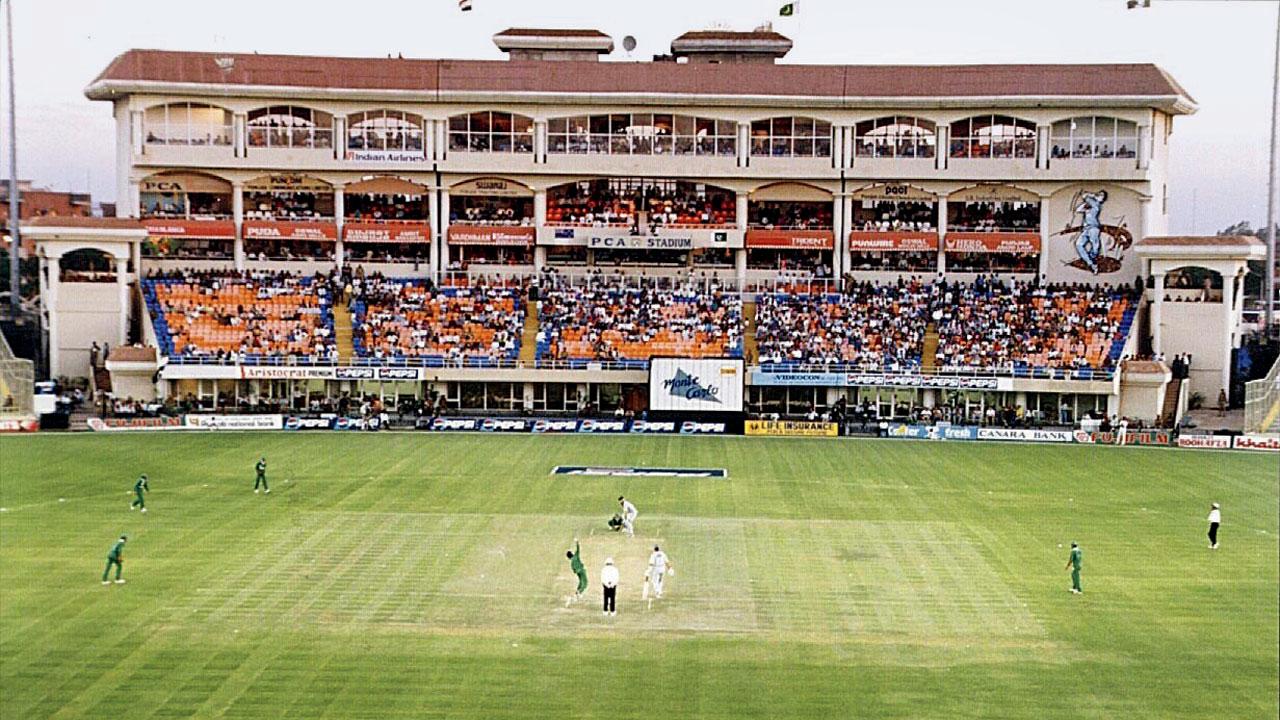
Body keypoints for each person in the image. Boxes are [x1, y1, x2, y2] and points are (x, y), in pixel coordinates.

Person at [565, 538, 588, 606]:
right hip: (581, 570)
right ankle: (579, 593)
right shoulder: (576, 556)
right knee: (585, 583)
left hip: (578, 572)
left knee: (580, 582)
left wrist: (577, 571)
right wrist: (577, 542)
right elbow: (578, 549)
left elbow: (574, 570)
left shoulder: (571, 562)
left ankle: (577, 591)